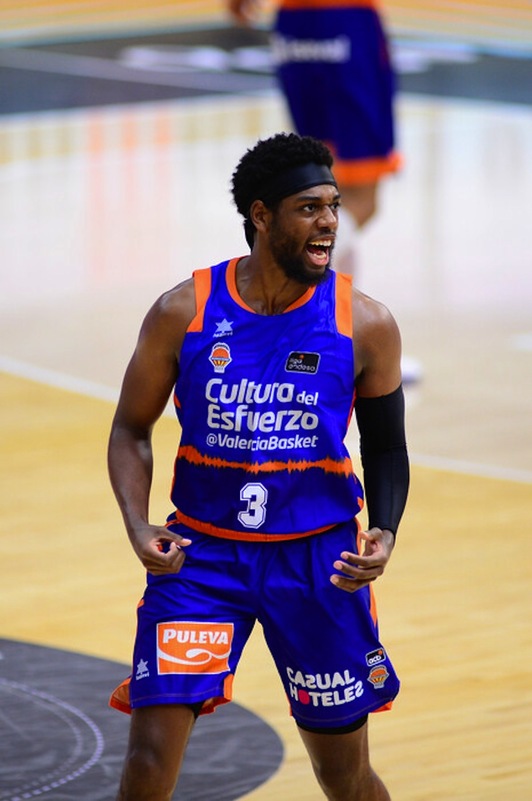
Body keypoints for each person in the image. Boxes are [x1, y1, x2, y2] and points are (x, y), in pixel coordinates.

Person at [108, 132, 409, 801]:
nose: (329, 220)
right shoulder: (182, 311)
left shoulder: (366, 323)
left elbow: (387, 446)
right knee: (149, 758)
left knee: (345, 775)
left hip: (318, 564)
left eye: (332, 206)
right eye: (309, 207)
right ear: (262, 215)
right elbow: (131, 429)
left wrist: (385, 529)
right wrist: (136, 521)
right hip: (203, 560)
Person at [228, 0, 401, 275]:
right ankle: (286, 269)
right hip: (346, 20)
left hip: (294, 27)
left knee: (323, 181)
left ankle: (331, 299)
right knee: (360, 199)